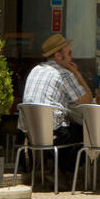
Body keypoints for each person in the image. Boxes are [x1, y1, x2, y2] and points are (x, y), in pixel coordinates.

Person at [22, 35, 93, 175]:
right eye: (69, 54)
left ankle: (54, 169)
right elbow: (87, 100)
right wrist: (77, 74)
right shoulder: (64, 74)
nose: (72, 58)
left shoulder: (35, 70)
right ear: (58, 56)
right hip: (54, 134)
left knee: (71, 128)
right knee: (89, 132)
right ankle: (63, 172)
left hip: (29, 134)